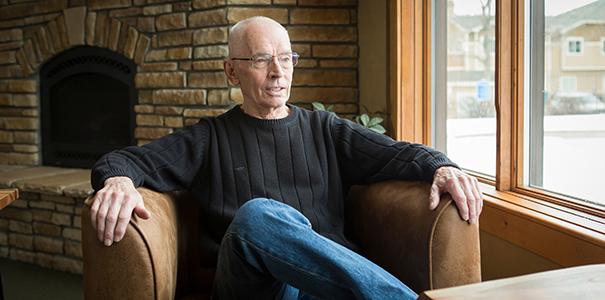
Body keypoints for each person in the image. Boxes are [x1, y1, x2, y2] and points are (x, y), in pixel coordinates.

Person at [90, 16, 482, 300]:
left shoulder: (325, 129)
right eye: (261, 60)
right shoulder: (209, 137)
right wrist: (118, 180)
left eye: (286, 57)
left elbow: (399, 154)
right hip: (253, 290)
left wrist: (442, 166)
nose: (278, 72)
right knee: (259, 215)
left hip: (323, 289)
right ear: (231, 71)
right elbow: (126, 161)